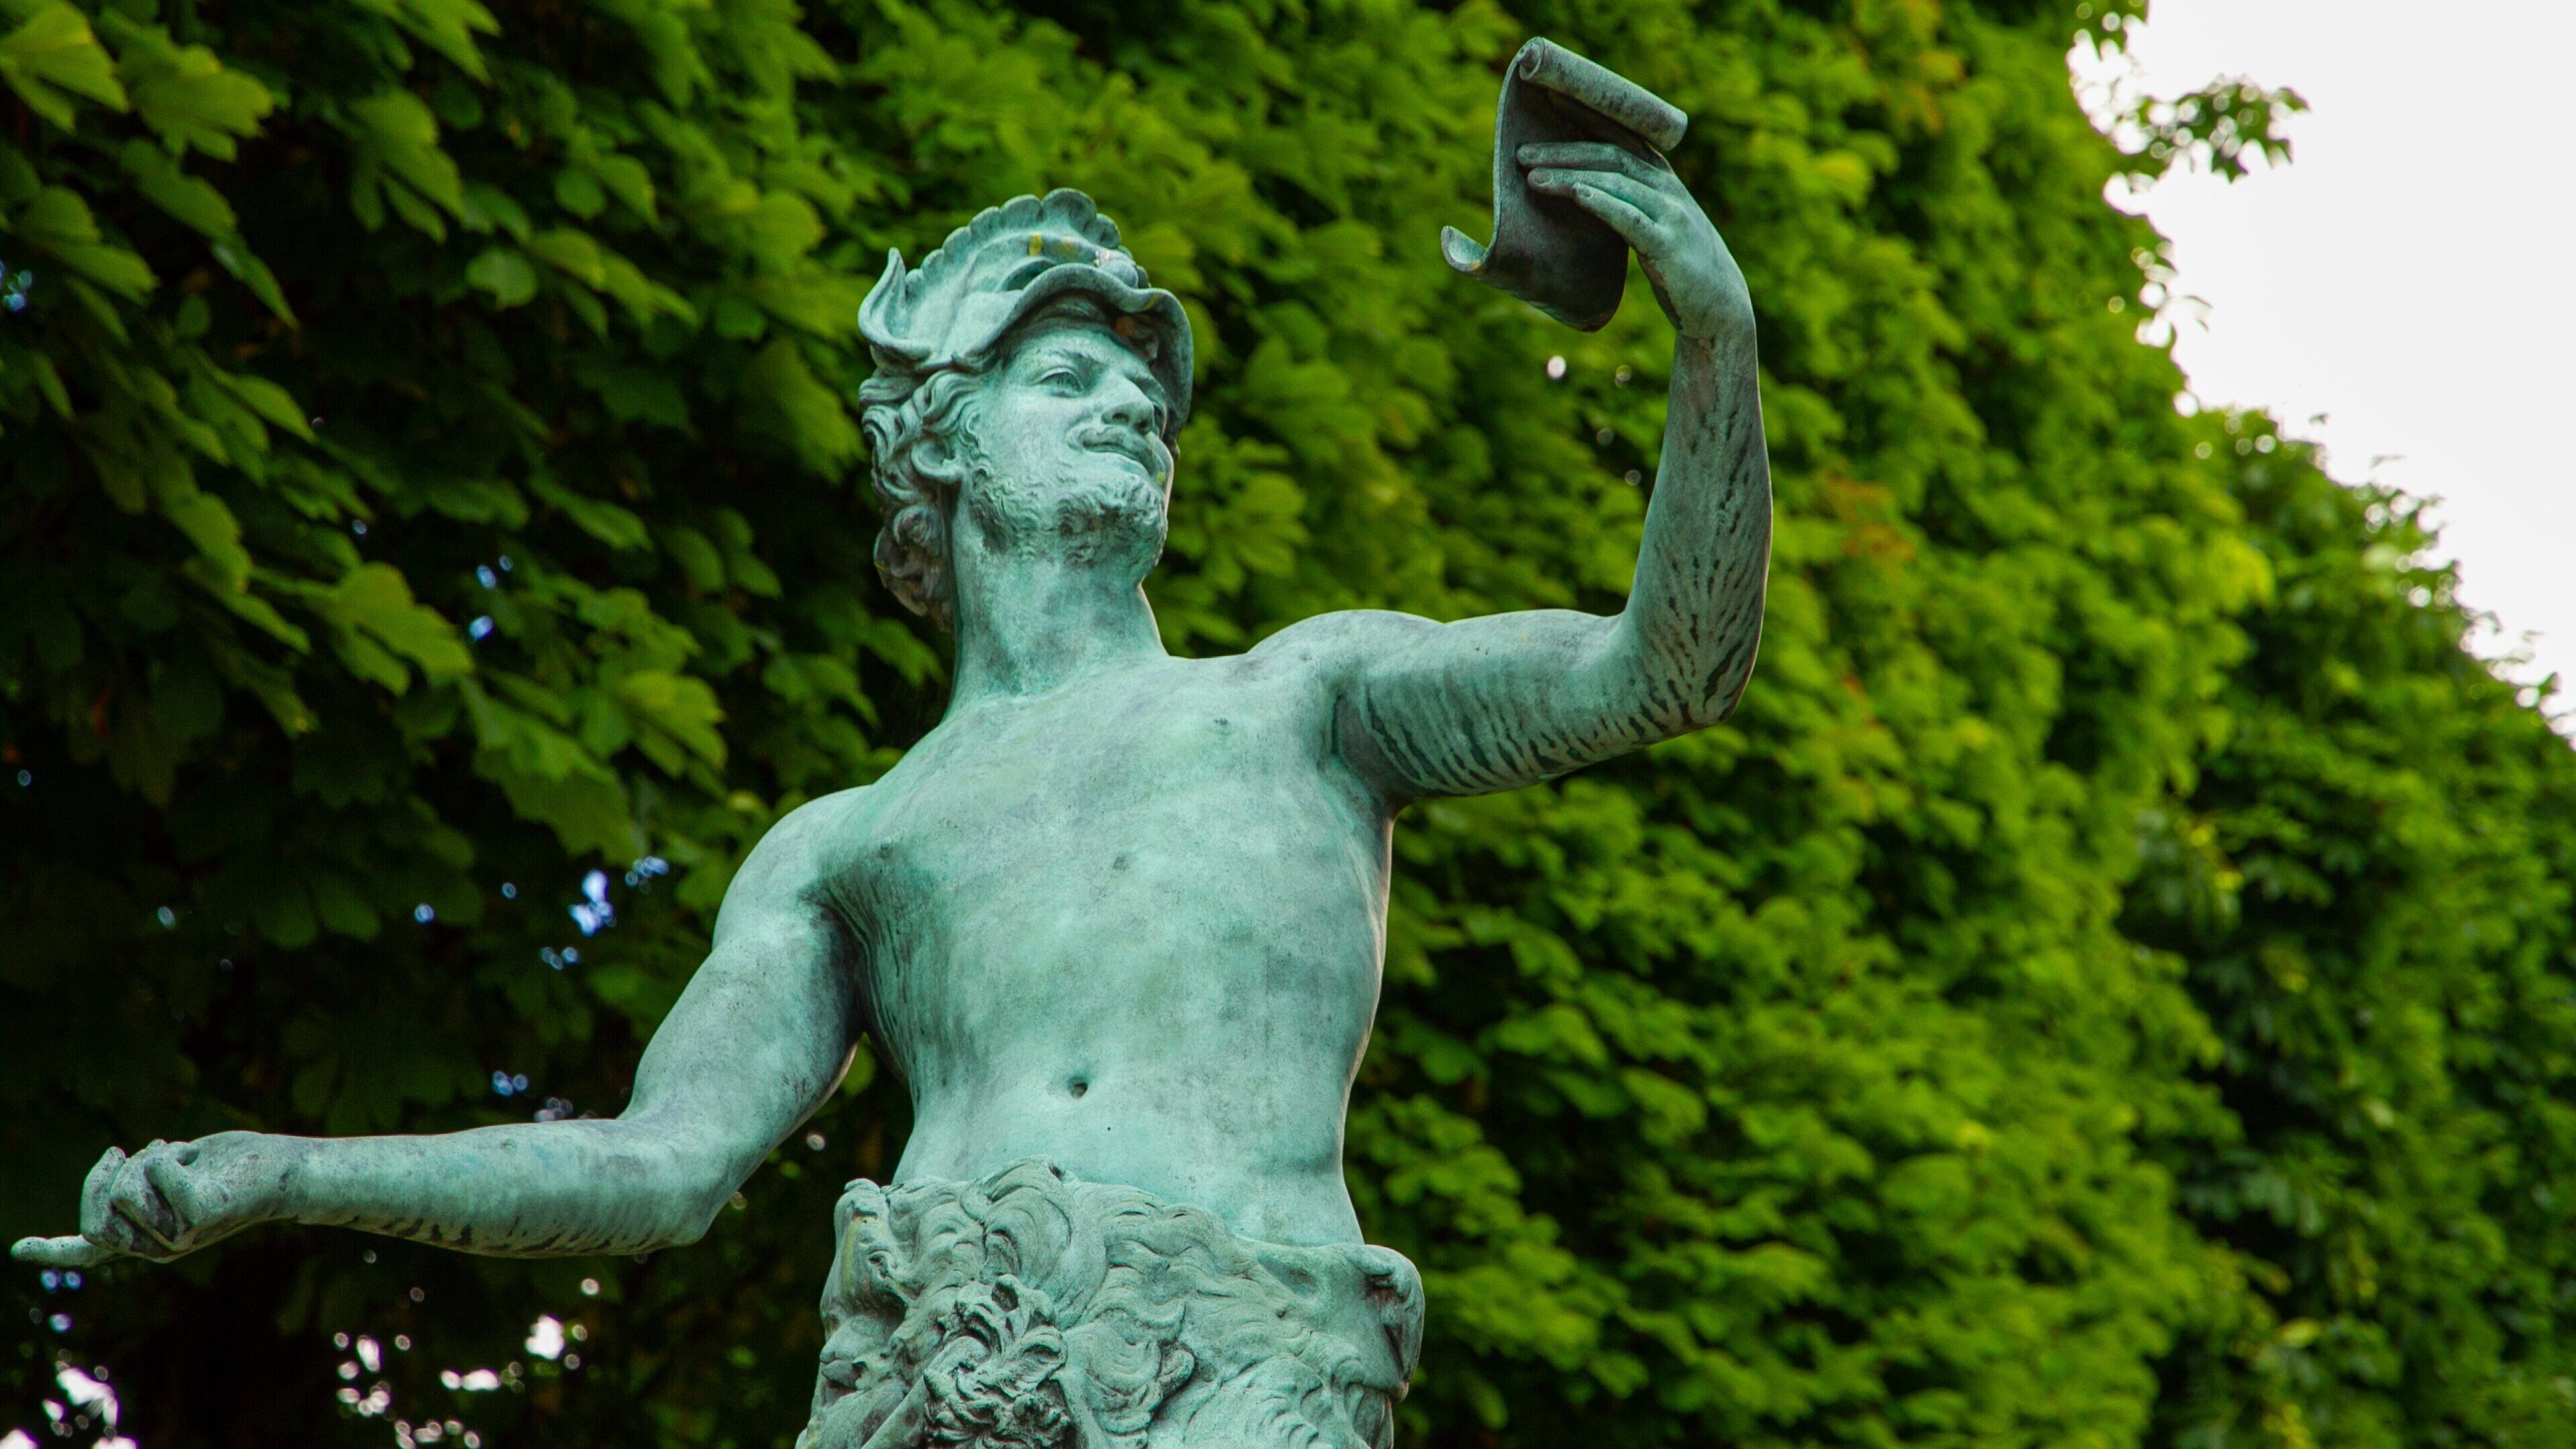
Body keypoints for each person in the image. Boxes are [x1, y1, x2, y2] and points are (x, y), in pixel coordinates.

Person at [18, 144, 1769, 1449]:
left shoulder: (1305, 696)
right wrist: (283, 1170)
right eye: (1070, 381)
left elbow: (1662, 671)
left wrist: (1714, 347)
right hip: (918, 1374)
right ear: (943, 440)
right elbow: (655, 1169)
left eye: (1151, 407)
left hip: (1242, 1358)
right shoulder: (848, 844)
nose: (1132, 421)